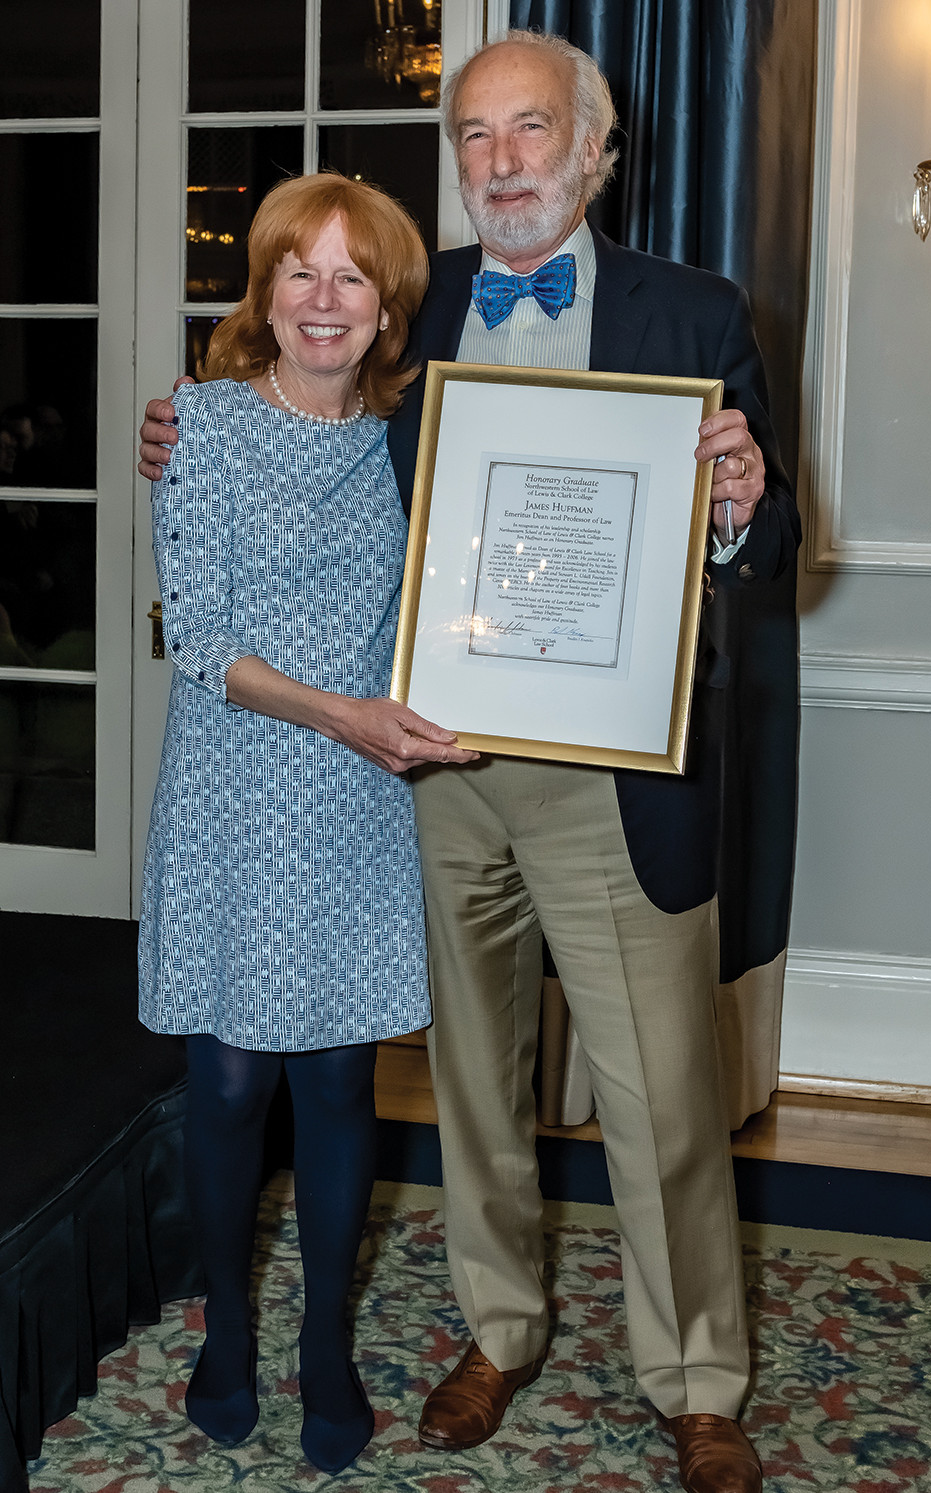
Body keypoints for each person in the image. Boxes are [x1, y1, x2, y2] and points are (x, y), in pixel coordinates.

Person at [140, 33, 800, 1493]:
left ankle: (697, 1376)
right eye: (476, 134)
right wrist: (183, 421)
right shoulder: (407, 308)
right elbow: (291, 421)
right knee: (477, 1090)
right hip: (425, 777)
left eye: (530, 130)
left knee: (664, 1097)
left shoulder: (695, 313)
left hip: (616, 779)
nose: (501, 161)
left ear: (595, 148)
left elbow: (769, 558)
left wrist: (743, 507)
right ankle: (500, 1330)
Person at [137, 170, 475, 1475]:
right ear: (263, 291)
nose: (323, 300)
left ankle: (322, 1344)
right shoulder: (202, 425)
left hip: (355, 799)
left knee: (338, 1078)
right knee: (227, 1079)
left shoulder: (414, 436)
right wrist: (345, 715)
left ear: (389, 308)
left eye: (352, 277)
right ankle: (230, 1325)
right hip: (238, 781)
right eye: (298, 271)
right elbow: (200, 638)